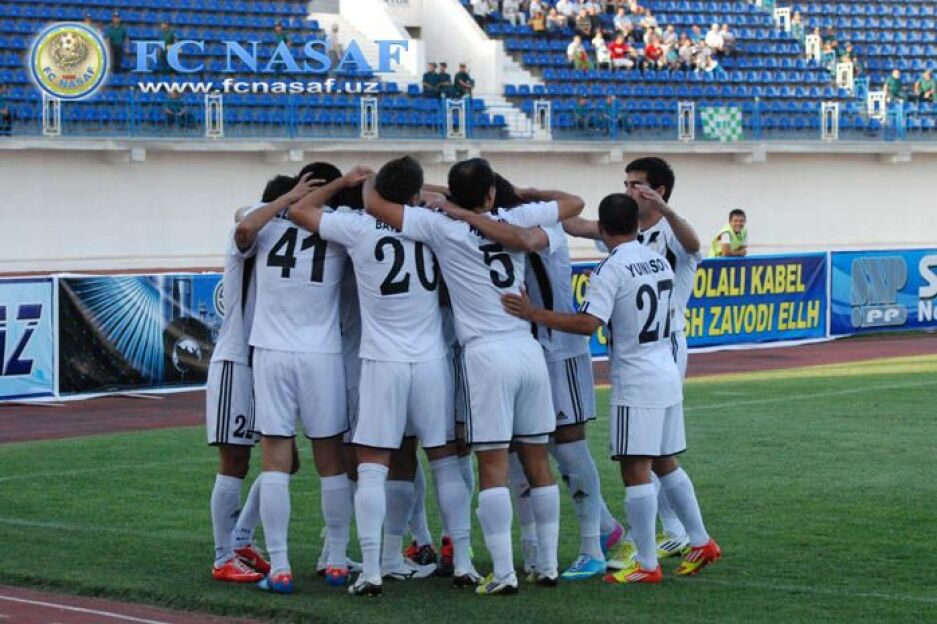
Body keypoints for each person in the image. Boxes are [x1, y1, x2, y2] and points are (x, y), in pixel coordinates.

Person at [364, 157, 585, 595]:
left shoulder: (439, 224)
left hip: (486, 355)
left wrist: (369, 177)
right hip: (527, 349)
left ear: (452, 194)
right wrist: (526, 194)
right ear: (491, 193)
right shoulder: (515, 217)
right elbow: (575, 202)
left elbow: (375, 205)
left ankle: (503, 573)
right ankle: (547, 565)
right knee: (537, 461)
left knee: (492, 465)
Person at [502, 192, 722, 585]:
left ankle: (647, 564)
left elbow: (588, 324)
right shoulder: (658, 260)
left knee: (635, 469)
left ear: (602, 229)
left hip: (636, 377)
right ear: (637, 225)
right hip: (665, 366)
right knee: (665, 461)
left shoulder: (611, 268)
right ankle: (701, 540)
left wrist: (535, 313)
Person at [288, 161, 479, 596]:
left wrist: (345, 182)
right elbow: (452, 204)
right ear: (413, 195)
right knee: (445, 462)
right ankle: (464, 563)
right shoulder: (432, 225)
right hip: (431, 361)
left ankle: (372, 570)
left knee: (373, 467)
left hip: (381, 361)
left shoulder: (357, 227)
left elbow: (300, 210)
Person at [246, 162, 355, 594]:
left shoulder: (266, 222)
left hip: (272, 351)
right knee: (331, 459)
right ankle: (337, 562)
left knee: (275, 457)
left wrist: (287, 199)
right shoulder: (340, 227)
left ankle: (280, 566)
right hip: (322, 353)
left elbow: (242, 226)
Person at [206, 175, 315, 586]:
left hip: (266, 361)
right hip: (237, 361)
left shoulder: (281, 233)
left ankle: (241, 538)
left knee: (287, 461)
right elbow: (244, 222)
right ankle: (223, 557)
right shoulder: (254, 230)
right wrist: (288, 199)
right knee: (235, 460)